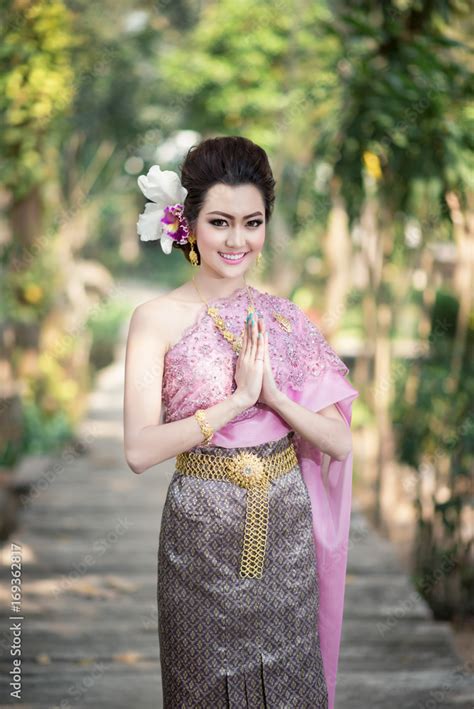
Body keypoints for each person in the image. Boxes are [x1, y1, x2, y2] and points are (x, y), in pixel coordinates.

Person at [123, 135, 359, 708]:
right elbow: (138, 450)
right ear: (189, 224)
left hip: (286, 531)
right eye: (220, 222)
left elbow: (339, 441)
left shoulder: (285, 318)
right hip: (199, 530)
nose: (237, 240)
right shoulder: (155, 319)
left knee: (288, 683)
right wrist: (233, 403)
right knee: (202, 686)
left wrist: (275, 397)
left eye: (252, 223)